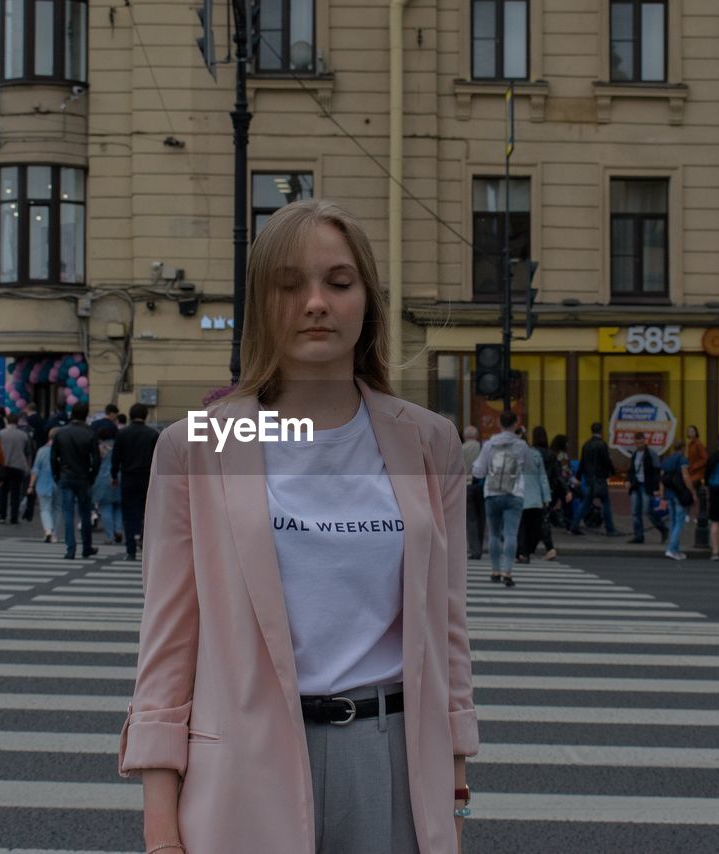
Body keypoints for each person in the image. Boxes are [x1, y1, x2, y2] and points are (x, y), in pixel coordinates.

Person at [119, 199, 476, 854]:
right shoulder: (194, 446)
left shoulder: (430, 442)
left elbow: (446, 630)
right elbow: (167, 644)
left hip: (391, 758)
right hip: (244, 767)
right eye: (290, 285)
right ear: (262, 303)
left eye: (339, 283)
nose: (316, 303)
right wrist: (160, 825)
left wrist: (454, 789)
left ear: (367, 298)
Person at [472, 409, 530, 587]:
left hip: (492, 493)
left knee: (494, 535)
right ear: (516, 424)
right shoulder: (521, 445)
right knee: (511, 534)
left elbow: (478, 470)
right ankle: (507, 571)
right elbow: (528, 468)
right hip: (514, 494)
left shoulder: (489, 445)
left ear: (499, 423)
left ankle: (495, 571)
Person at [51, 403, 100, 560]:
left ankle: (70, 548)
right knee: (85, 513)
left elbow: (53, 457)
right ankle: (86, 547)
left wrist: (57, 475)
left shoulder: (61, 433)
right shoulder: (90, 433)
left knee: (68, 513)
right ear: (86, 415)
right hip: (83, 477)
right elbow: (96, 460)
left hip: (65, 475)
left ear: (72, 414)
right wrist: (92, 476)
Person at [112, 403, 159, 561]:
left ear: (131, 415)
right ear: (145, 415)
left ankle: (130, 549)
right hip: (146, 477)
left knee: (128, 513)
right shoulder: (152, 434)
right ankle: (145, 544)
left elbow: (116, 457)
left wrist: (113, 475)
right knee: (148, 513)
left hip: (128, 476)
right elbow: (158, 459)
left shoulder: (122, 434)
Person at [570, 422, 619, 537]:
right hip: (600, 479)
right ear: (601, 431)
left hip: (589, 479)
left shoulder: (586, 445)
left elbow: (582, 463)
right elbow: (606, 461)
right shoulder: (602, 445)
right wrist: (613, 472)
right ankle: (610, 529)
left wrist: (578, 477)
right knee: (606, 503)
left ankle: (574, 525)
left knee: (586, 503)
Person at [517, 426, 556, 562]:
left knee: (522, 528)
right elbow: (543, 478)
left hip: (519, 495)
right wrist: (546, 498)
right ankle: (526, 552)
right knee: (532, 527)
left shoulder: (513, 454)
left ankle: (523, 553)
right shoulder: (535, 454)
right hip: (534, 497)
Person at [627, 432, 669, 545]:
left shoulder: (651, 454)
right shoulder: (634, 454)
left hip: (647, 486)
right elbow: (631, 470)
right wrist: (629, 481)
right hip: (636, 485)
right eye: (637, 442)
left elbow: (656, 472)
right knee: (635, 512)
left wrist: (656, 488)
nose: (639, 444)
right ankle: (638, 536)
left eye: (641, 442)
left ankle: (662, 528)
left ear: (645, 441)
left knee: (648, 511)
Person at [91, 418, 123, 544]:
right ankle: (119, 530)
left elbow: (94, 463)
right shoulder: (118, 446)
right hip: (119, 477)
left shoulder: (100, 448)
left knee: (106, 507)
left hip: (102, 479)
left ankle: (110, 536)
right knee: (118, 506)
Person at [660, 439, 692, 560]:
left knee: (673, 521)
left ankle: (675, 549)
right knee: (680, 522)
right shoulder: (682, 459)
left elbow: (662, 479)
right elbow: (685, 477)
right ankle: (672, 549)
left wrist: (662, 495)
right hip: (679, 494)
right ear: (683, 448)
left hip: (668, 494)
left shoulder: (666, 460)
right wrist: (692, 491)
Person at [0, 417, 33, 525]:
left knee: (3, 492)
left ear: (7, 421)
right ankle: (14, 517)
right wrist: (28, 466)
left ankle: (2, 515)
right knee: (16, 492)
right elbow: (28, 452)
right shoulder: (23, 435)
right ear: (17, 422)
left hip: (4, 465)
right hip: (18, 465)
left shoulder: (1, 433)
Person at [28, 427, 61, 543]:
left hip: (44, 483)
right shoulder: (64, 450)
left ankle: (48, 530)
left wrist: (31, 485)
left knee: (45, 509)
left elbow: (36, 469)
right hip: (59, 483)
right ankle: (54, 534)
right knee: (57, 509)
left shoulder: (42, 450)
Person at [461, 425, 484, 560]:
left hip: (466, 485)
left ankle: (475, 550)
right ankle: (480, 546)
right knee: (482, 517)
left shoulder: (461, 448)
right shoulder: (482, 448)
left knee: (471, 520)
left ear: (464, 436)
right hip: (481, 485)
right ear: (476, 436)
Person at [686, 424, 707, 519]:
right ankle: (697, 514)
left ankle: (696, 514)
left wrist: (695, 466)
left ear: (696, 432)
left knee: (692, 492)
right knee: (696, 493)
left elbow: (705, 458)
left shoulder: (698, 444)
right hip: (692, 472)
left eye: (692, 431)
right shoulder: (690, 444)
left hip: (697, 473)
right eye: (689, 431)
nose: (690, 433)